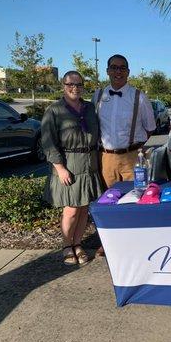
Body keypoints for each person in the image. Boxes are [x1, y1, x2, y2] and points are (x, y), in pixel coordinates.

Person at [92, 54, 156, 256]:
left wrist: (134, 148)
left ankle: (136, 243)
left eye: (122, 68)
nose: (118, 71)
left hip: (132, 157)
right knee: (107, 201)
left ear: (128, 72)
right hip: (105, 158)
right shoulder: (98, 96)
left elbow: (150, 128)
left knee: (135, 199)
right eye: (114, 67)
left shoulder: (139, 96)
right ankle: (109, 242)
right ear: (107, 71)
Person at [42, 71, 105, 266]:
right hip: (69, 163)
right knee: (71, 210)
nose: (75, 87)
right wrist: (60, 168)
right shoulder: (54, 110)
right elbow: (48, 142)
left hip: (89, 162)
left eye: (79, 84)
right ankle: (66, 245)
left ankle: (78, 244)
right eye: (71, 84)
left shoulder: (89, 108)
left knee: (84, 207)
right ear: (64, 85)